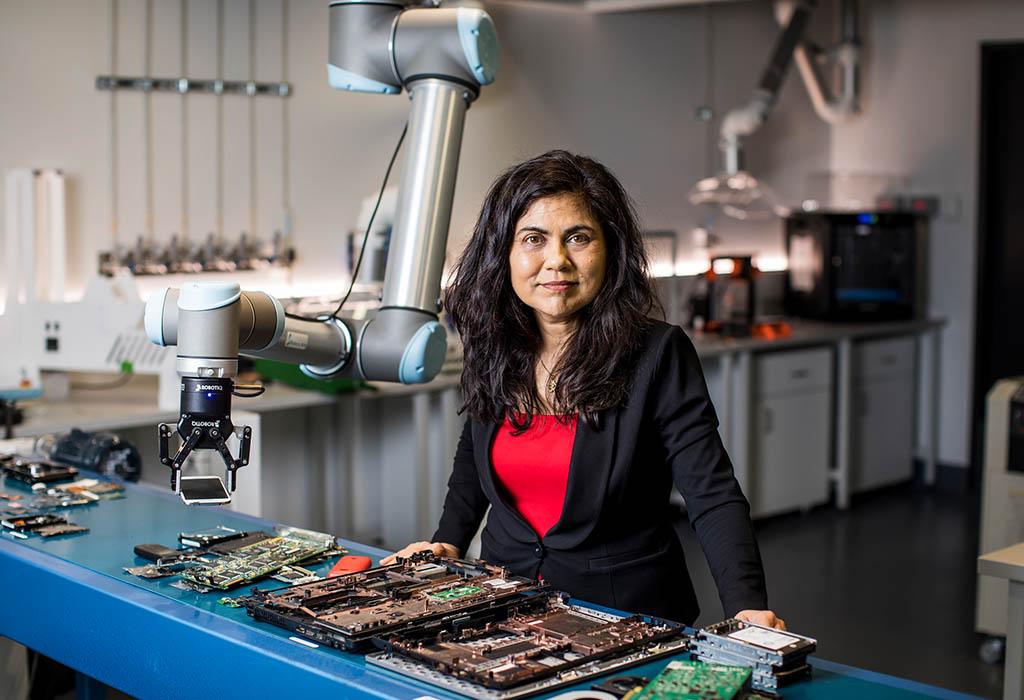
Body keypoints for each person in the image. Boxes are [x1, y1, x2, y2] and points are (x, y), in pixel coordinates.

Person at [382, 150, 784, 629]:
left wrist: (746, 607)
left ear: (609, 250)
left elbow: (711, 492)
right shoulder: (494, 343)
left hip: (626, 617)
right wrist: (447, 539)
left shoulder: (657, 353)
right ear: (503, 252)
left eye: (579, 238)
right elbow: (473, 459)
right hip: (504, 609)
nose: (557, 260)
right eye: (533, 238)